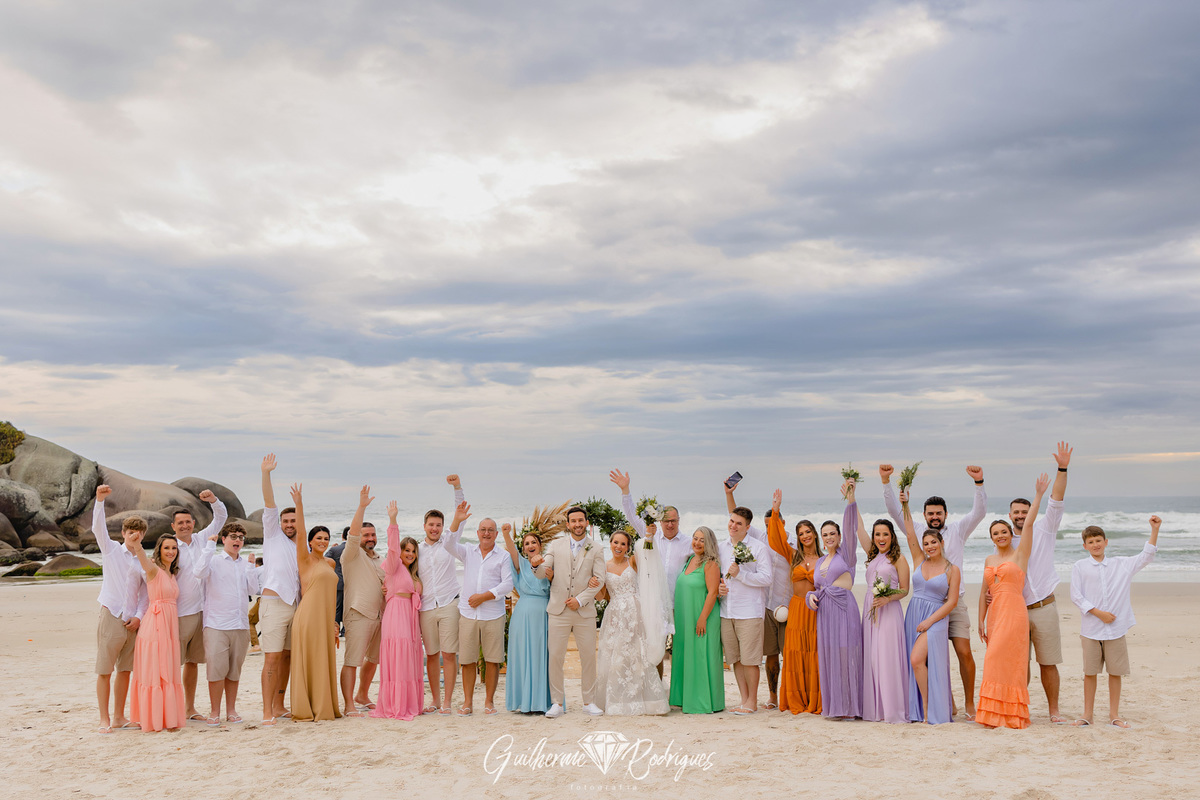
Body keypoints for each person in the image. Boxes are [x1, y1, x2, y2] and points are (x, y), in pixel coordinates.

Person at [881, 463, 987, 719]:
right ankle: (946, 703)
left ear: (946, 514)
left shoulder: (959, 529)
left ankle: (970, 703)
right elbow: (897, 514)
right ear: (925, 515)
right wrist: (888, 484)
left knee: (963, 652)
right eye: (930, 513)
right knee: (927, 657)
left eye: (939, 513)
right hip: (924, 605)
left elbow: (979, 512)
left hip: (954, 602)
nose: (935, 517)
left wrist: (979, 483)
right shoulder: (918, 531)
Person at [1069, 516, 1160, 728]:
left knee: (1115, 673)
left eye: (1098, 540)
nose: (1095, 544)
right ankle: (1087, 715)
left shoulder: (1122, 565)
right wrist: (1099, 613)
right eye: (1090, 542)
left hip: (1116, 631)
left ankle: (1114, 715)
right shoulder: (1080, 566)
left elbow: (1146, 556)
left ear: (1106, 542)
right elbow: (1076, 596)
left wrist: (1154, 530)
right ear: (1085, 546)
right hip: (1091, 629)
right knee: (1090, 673)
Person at [976, 473, 1049, 729]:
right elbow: (983, 593)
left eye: (1003, 532)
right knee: (994, 661)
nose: (1000, 536)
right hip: (995, 615)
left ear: (1010, 533)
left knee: (1008, 661)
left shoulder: (1020, 556)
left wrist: (1038, 495)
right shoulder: (988, 561)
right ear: (992, 537)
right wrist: (980, 622)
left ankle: (1013, 715)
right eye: (995, 533)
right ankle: (994, 715)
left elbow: (1028, 525)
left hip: (1015, 614)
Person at [1010, 441, 1073, 724]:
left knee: (1048, 663)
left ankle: (1054, 710)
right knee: (1019, 665)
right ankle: (1020, 708)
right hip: (1016, 611)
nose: (1021, 516)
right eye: (1016, 513)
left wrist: (1062, 467)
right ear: (1010, 516)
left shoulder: (1046, 527)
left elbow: (1056, 497)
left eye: (1025, 512)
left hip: (1044, 606)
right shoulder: (1004, 542)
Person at [536, 505, 607, 718]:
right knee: (556, 656)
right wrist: (536, 565)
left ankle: (589, 702)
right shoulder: (555, 545)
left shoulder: (596, 548)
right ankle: (557, 703)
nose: (577, 524)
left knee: (588, 657)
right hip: (558, 610)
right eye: (573, 521)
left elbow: (600, 579)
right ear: (568, 525)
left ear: (587, 523)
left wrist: (580, 599)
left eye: (581, 520)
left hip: (584, 612)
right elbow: (543, 572)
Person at [445, 502, 515, 716]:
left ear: (495, 534)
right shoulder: (468, 552)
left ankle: (489, 702)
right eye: (483, 530)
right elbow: (448, 543)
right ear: (478, 533)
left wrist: (484, 597)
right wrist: (457, 519)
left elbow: (508, 584)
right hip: (467, 614)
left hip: (493, 614)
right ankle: (467, 702)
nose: (486, 533)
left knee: (493, 659)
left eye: (490, 530)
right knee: (467, 660)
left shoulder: (502, 556)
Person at [91, 484, 149, 734]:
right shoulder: (111, 550)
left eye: (139, 532)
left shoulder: (143, 560)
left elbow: (146, 594)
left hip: (132, 622)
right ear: (124, 532)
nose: (134, 534)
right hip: (111, 615)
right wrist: (100, 501)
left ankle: (118, 717)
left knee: (125, 670)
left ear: (143, 535)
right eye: (131, 531)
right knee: (105, 670)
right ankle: (104, 719)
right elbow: (97, 529)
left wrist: (138, 617)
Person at [594, 529, 669, 715]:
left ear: (628, 547)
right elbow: (601, 596)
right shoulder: (603, 566)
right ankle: (618, 701)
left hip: (636, 612)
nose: (618, 546)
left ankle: (647, 701)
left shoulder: (633, 561)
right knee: (616, 657)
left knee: (639, 654)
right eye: (615, 542)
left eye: (623, 544)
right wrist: (594, 585)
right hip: (615, 616)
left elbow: (650, 557)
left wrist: (649, 536)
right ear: (609, 543)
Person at [899, 490, 959, 724]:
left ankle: (926, 708)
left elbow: (952, 602)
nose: (929, 546)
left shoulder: (952, 570)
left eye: (933, 542)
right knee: (916, 662)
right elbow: (909, 532)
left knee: (917, 660)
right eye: (926, 543)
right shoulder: (918, 560)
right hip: (914, 612)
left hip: (935, 618)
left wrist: (930, 621)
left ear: (942, 543)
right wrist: (905, 504)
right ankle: (923, 707)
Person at [168, 494, 227, 722]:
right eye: (180, 523)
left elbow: (221, 516)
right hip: (179, 613)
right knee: (174, 663)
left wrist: (213, 500)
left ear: (193, 523)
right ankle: (171, 706)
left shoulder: (202, 538)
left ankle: (189, 708)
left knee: (193, 663)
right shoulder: (171, 546)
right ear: (173, 526)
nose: (185, 525)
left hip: (204, 611)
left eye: (188, 521)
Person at [193, 521, 260, 726]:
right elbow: (199, 572)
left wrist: (250, 567)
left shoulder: (245, 563)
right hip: (216, 624)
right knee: (216, 670)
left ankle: (231, 710)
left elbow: (253, 590)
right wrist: (209, 547)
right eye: (233, 536)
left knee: (233, 671)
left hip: (239, 624)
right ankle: (215, 711)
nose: (237, 540)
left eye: (240, 537)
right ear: (224, 539)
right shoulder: (212, 560)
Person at [807, 480, 862, 720]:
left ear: (839, 536)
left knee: (845, 653)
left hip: (843, 608)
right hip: (825, 612)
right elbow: (817, 587)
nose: (829, 537)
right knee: (829, 655)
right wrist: (811, 596)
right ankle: (835, 707)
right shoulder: (820, 561)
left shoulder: (847, 554)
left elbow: (852, 528)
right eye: (825, 535)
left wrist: (851, 499)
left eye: (833, 533)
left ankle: (850, 707)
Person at [719, 480, 774, 715]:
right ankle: (743, 700)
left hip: (749, 612)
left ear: (747, 527)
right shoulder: (721, 547)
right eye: (731, 521)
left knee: (751, 660)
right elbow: (720, 575)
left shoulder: (758, 548)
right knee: (736, 660)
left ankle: (752, 701)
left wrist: (741, 574)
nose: (733, 525)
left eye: (738, 523)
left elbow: (766, 578)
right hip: (726, 611)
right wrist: (720, 586)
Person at [288, 485, 342, 721]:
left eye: (326, 539)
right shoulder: (305, 559)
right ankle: (306, 708)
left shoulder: (330, 564)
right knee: (310, 659)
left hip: (325, 619)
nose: (323, 541)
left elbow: (332, 595)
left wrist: (334, 623)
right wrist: (299, 504)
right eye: (319, 538)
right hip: (308, 618)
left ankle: (324, 706)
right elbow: (299, 533)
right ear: (311, 541)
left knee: (324, 661)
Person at [766, 491, 822, 715]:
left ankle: (816, 698)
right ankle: (797, 698)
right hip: (797, 608)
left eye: (808, 532)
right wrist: (776, 511)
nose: (805, 536)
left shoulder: (825, 559)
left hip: (817, 611)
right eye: (801, 533)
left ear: (815, 534)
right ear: (797, 537)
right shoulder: (794, 556)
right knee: (795, 652)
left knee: (815, 653)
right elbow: (776, 539)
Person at [126, 532, 186, 732]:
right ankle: (153, 720)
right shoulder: (153, 569)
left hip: (170, 628)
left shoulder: (172, 573)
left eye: (174, 548)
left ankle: (167, 718)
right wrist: (137, 545)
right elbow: (142, 560)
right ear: (159, 550)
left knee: (168, 670)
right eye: (166, 548)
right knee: (155, 671)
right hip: (155, 625)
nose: (170, 551)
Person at [417, 475, 467, 715]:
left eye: (438, 525)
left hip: (448, 603)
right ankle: (434, 700)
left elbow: (460, 512)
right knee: (431, 654)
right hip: (425, 607)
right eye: (431, 525)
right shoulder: (416, 549)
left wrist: (457, 487)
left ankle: (447, 702)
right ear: (424, 526)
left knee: (449, 654)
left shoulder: (449, 542)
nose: (435, 529)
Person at [258, 454, 301, 725]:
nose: (289, 524)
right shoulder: (272, 534)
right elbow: (269, 503)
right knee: (272, 658)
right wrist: (266, 474)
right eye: (286, 521)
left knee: (287, 657)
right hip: (273, 604)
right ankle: (266, 712)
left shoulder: (304, 547)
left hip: (295, 606)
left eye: (293, 521)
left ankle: (279, 705)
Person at [855, 509, 910, 724]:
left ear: (892, 536)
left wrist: (888, 598)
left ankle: (892, 709)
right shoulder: (873, 555)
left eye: (885, 534)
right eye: (877, 534)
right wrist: (852, 500)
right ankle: (875, 708)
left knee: (887, 657)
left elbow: (905, 589)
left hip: (889, 611)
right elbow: (859, 529)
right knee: (872, 658)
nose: (880, 538)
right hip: (870, 610)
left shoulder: (898, 559)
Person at [372, 502, 425, 721]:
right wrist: (393, 521)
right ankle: (396, 704)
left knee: (409, 658)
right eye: (407, 550)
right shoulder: (394, 566)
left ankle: (409, 703)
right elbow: (392, 548)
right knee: (398, 657)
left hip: (411, 620)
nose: (410, 554)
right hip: (396, 615)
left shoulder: (414, 574)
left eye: (413, 551)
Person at [668, 526, 724, 714]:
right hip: (685, 618)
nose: (697, 543)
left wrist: (702, 619)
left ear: (709, 543)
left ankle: (703, 701)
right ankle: (684, 698)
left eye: (702, 540)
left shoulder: (711, 564)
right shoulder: (690, 560)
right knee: (686, 655)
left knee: (701, 656)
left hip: (702, 617)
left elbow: (713, 593)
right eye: (695, 538)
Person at [340, 488, 385, 717]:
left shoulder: (380, 559)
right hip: (358, 613)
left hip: (380, 616)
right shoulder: (351, 555)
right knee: (352, 660)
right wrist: (362, 506)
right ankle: (349, 704)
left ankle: (362, 695)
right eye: (366, 535)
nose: (370, 539)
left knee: (373, 660)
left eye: (373, 535)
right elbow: (354, 535)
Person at [501, 522, 554, 714]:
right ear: (523, 548)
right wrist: (506, 534)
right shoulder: (520, 564)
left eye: (534, 542)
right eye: (526, 543)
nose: (530, 545)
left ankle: (544, 702)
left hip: (543, 613)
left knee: (543, 656)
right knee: (523, 655)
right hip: (522, 614)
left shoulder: (550, 564)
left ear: (540, 545)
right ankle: (524, 701)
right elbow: (512, 551)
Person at [327, 528, 348, 636]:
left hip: (338, 582)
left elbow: (323, 559)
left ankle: (336, 630)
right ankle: (345, 630)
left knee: (337, 607)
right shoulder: (357, 549)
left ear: (342, 536)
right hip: (350, 583)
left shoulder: (336, 550)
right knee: (348, 607)